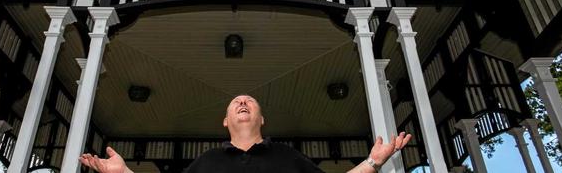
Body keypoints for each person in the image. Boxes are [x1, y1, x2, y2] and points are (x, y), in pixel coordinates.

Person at [80, 95, 411, 173]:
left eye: (249, 100)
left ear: (261, 118)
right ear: (225, 121)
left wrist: (373, 161)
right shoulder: (206, 163)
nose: (242, 101)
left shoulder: (288, 156)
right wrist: (122, 171)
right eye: (235, 102)